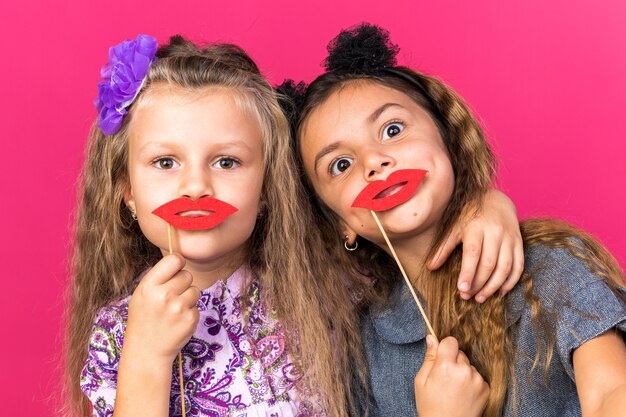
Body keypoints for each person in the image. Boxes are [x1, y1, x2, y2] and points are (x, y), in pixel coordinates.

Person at [65, 33, 523, 417]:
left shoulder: (331, 279)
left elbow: (410, 233)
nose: (196, 186)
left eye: (227, 161)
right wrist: (147, 358)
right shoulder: (119, 334)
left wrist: (483, 203)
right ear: (126, 190)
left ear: (268, 189)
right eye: (165, 162)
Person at [288, 23, 626, 417]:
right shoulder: (363, 349)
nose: (373, 163)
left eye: (392, 129)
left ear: (448, 139)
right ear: (339, 223)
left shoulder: (548, 268)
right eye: (341, 164)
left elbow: (611, 393)